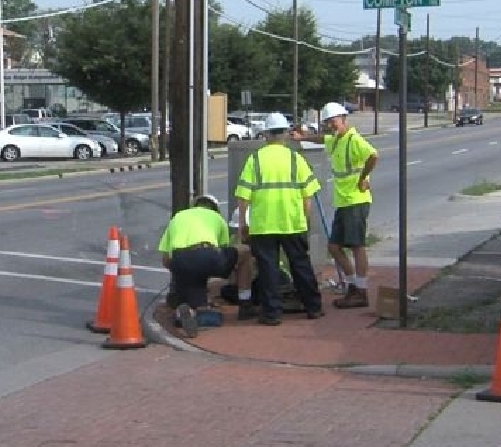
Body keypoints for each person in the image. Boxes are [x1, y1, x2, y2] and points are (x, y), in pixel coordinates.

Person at [234, 112, 324, 325]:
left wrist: (243, 224)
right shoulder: (295, 158)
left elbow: (243, 196)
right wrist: (306, 219)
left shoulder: (255, 159)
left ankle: (272, 313)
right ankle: (313, 307)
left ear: (265, 134)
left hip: (264, 224)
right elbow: (308, 195)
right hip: (292, 222)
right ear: (285, 134)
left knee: (268, 269)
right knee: (300, 264)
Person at [292, 102, 379, 309]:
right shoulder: (337, 140)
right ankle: (352, 286)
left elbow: (373, 155)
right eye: (328, 122)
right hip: (344, 201)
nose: (331, 125)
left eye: (333, 121)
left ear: (343, 119)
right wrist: (302, 137)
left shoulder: (353, 140)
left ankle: (361, 290)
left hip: (356, 200)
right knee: (334, 247)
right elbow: (322, 139)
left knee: (357, 246)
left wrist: (363, 177)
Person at [158, 194, 255, 337]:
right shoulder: (217, 218)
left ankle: (186, 312)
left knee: (194, 300)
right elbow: (222, 252)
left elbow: (166, 259)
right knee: (245, 253)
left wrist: (183, 275)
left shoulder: (177, 217)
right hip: (207, 254)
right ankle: (245, 303)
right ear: (215, 208)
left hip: (180, 260)